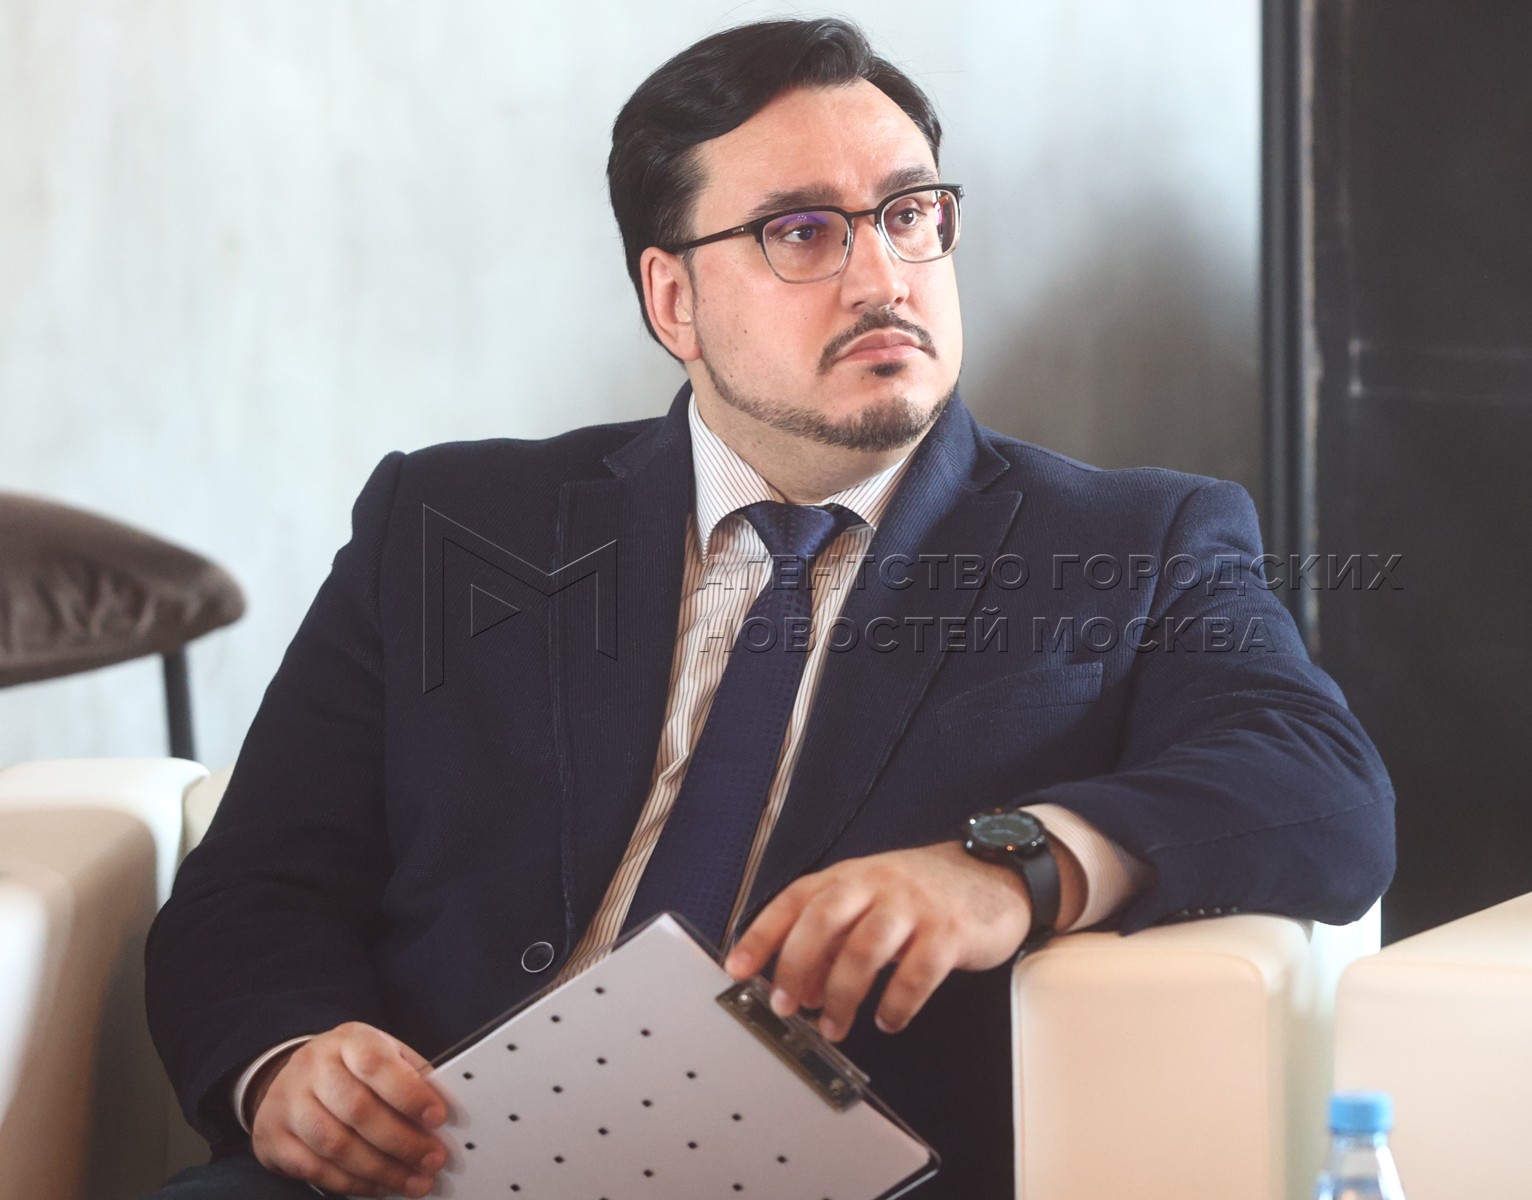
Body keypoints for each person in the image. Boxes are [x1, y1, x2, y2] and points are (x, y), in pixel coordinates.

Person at [143, 18, 1394, 1200]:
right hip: (426, 1166)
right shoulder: (453, 523)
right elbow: (254, 886)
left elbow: (1321, 785)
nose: (882, 275)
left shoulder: (1129, 541)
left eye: (909, 214)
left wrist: (1012, 866)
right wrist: (286, 1063)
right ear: (673, 299)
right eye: (801, 232)